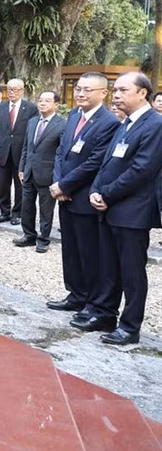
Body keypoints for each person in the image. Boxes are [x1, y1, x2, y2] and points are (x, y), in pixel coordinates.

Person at [84, 72, 162, 345]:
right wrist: (96, 190)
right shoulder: (125, 124)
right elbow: (107, 164)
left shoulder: (155, 125)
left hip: (132, 211)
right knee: (108, 267)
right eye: (115, 90)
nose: (116, 95)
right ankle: (105, 313)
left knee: (131, 272)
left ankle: (130, 327)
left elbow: (142, 170)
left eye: (123, 90)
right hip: (110, 207)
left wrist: (106, 194)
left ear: (143, 93)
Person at [47, 72, 116, 319]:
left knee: (89, 253)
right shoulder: (74, 115)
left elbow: (94, 162)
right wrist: (57, 183)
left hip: (84, 196)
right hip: (64, 195)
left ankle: (90, 301)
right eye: (78, 89)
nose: (81, 94)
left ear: (103, 93)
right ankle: (75, 295)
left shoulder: (109, 122)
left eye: (88, 89)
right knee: (70, 250)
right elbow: (61, 152)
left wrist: (66, 185)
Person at [14, 91, 65, 253]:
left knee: (46, 210)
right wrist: (22, 168)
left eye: (47, 101)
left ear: (56, 104)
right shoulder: (32, 122)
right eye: (40, 100)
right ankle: (29, 235)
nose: (42, 103)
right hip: (29, 172)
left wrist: (58, 178)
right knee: (26, 206)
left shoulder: (62, 124)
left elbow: (62, 153)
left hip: (47, 174)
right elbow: (26, 148)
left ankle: (43, 239)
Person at [0, 78, 38, 226]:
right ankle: (5, 211)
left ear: (22, 91)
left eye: (16, 89)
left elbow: (32, 133)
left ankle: (17, 213)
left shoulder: (31, 108)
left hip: (21, 153)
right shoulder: (0, 108)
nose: (12, 92)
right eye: (10, 89)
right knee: (3, 185)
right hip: (3, 153)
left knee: (20, 186)